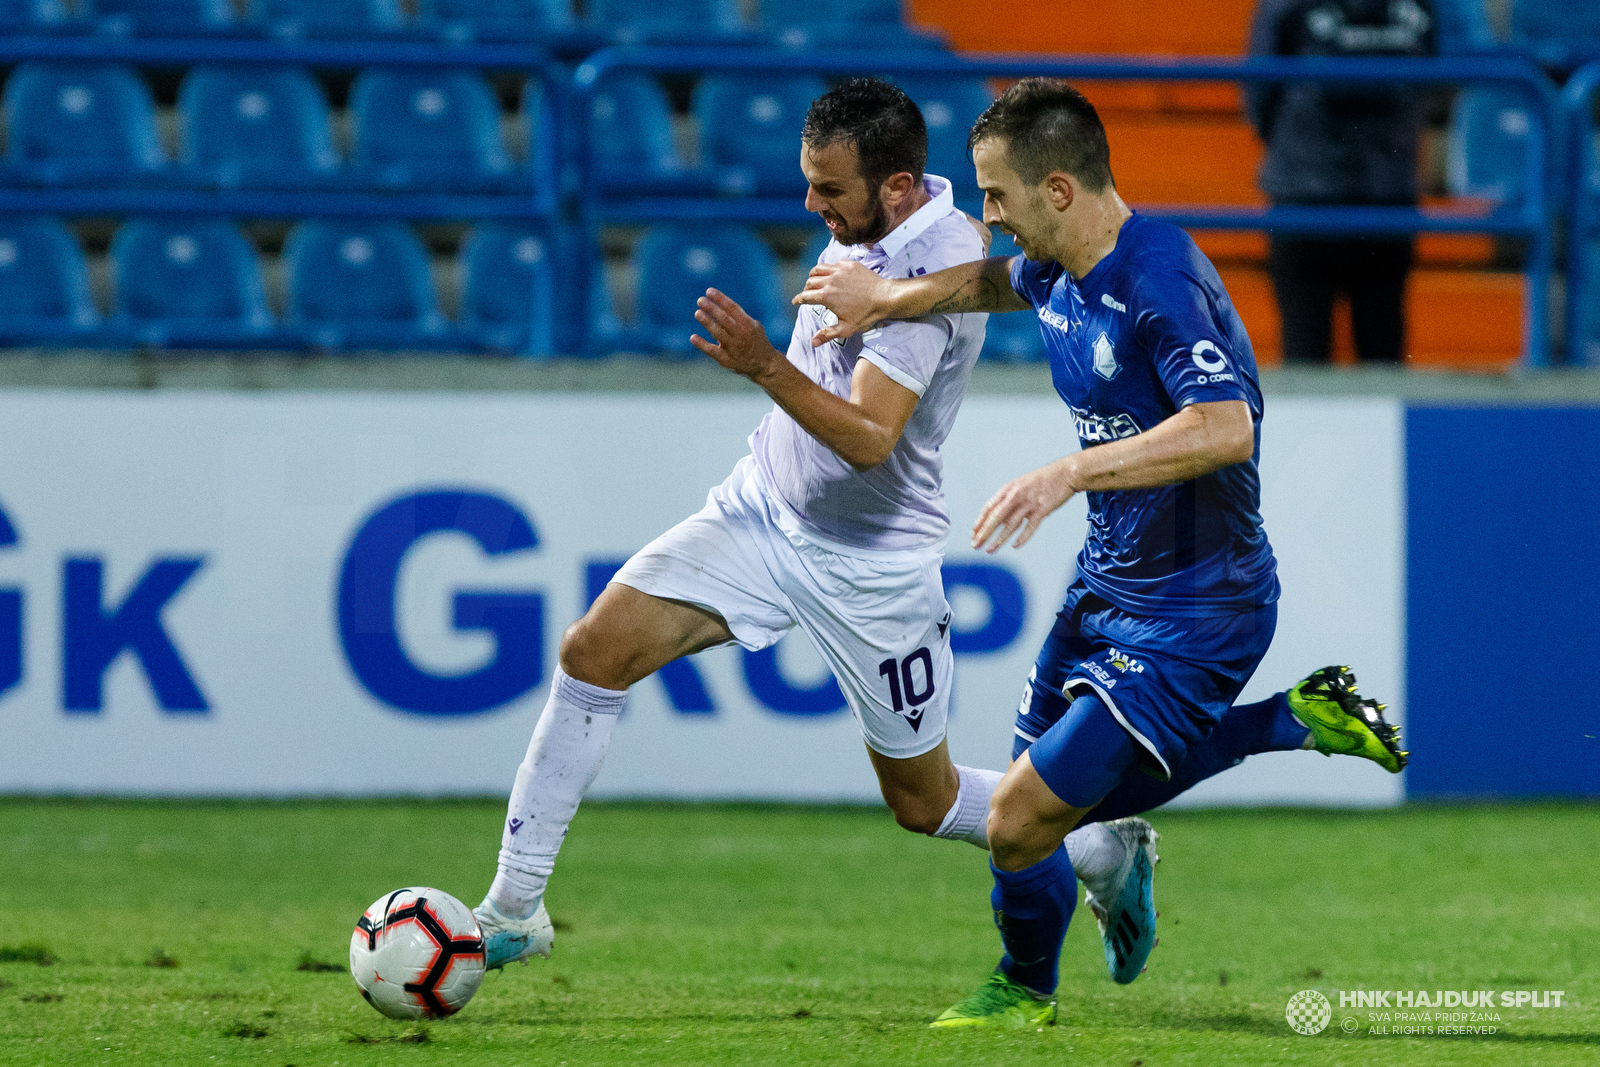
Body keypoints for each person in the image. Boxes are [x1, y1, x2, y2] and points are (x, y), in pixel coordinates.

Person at [471, 78, 1160, 983]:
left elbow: (872, 439)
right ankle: (513, 908)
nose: (811, 204)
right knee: (593, 650)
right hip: (761, 510)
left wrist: (763, 363)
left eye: (829, 190)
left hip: (870, 566)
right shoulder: (879, 228)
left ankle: (1102, 849)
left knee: (926, 802)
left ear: (901, 186)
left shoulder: (923, 276)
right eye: (811, 181)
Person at [796, 78, 1408, 1027]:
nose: (987, 219)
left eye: (995, 197)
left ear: (1058, 191)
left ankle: (1025, 987)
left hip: (1201, 606)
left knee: (1020, 815)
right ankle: (1281, 728)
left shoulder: (1157, 280)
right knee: (1025, 826)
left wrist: (1070, 473)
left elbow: (1226, 425)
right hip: (1107, 586)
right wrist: (888, 300)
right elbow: (996, 285)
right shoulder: (1059, 263)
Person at [1248, 0, 1437, 364]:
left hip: (1311, 193)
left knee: (1310, 354)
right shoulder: (1417, 8)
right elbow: (1433, 80)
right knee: (1379, 351)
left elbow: (1260, 99)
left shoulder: (1286, 7)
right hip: (1378, 194)